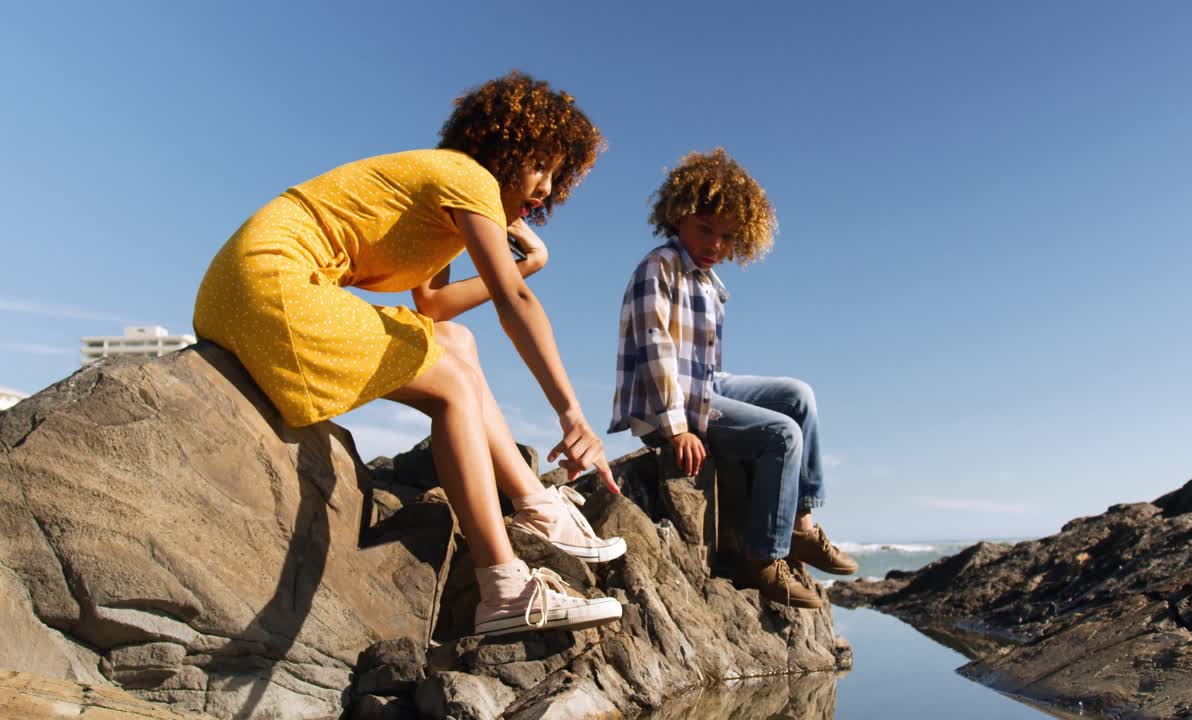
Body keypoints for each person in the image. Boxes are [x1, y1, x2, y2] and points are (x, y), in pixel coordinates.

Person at [194, 72, 625, 637]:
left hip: (239, 287)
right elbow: (512, 302)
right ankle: (504, 589)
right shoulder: (468, 177)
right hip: (268, 284)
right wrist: (571, 413)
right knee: (451, 384)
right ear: (501, 146)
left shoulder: (449, 193)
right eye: (538, 165)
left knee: (456, 344)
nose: (545, 187)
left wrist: (529, 263)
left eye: (556, 174)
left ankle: (538, 509)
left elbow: (434, 306)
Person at [608, 148, 858, 608]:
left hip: (704, 387)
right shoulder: (660, 267)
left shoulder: (708, 283)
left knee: (798, 395)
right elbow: (654, 348)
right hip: (665, 405)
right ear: (678, 215)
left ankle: (801, 525)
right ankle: (762, 559)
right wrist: (677, 428)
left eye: (727, 237)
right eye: (705, 229)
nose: (715, 245)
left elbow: (705, 368)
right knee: (781, 435)